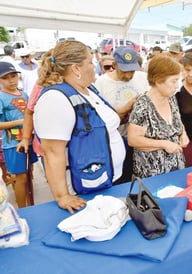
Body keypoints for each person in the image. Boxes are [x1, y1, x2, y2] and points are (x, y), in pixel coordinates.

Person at [33, 40, 126, 213]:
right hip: (84, 189)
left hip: (107, 180)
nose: (94, 66)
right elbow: (53, 152)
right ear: (76, 68)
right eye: (90, 62)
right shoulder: (55, 98)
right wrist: (63, 196)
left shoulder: (88, 90)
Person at [127, 55, 189, 178]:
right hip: (152, 174)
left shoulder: (171, 98)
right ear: (158, 80)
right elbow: (133, 139)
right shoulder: (143, 105)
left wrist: (183, 134)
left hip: (176, 169)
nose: (177, 85)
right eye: (174, 81)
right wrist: (164, 144)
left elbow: (177, 121)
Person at [94, 46, 149, 184]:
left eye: (132, 70)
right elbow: (100, 115)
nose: (129, 75)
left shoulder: (142, 78)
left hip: (141, 138)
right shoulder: (102, 83)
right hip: (117, 139)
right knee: (121, 179)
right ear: (114, 65)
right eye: (125, 71)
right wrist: (126, 108)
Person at [0, 62, 38, 208]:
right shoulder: (1, 97)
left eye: (14, 76)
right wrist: (22, 121)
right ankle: (23, 209)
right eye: (5, 78)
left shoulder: (25, 94)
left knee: (29, 175)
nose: (11, 80)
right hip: (13, 144)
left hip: (29, 140)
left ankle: (32, 206)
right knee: (20, 178)